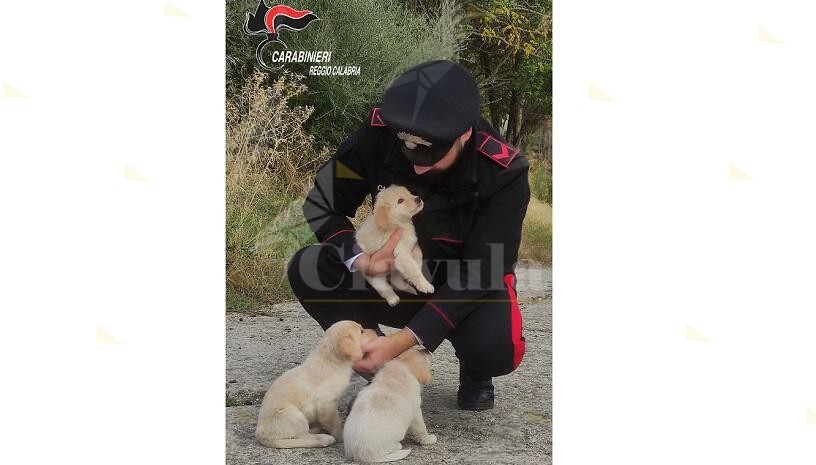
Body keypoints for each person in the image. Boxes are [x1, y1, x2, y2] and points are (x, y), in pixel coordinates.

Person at [287, 60, 530, 410]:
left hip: (461, 284)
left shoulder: (503, 172)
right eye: (409, 151)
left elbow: (484, 269)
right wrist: (361, 258)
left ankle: (476, 371)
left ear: (464, 134)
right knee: (308, 267)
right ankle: (381, 361)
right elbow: (322, 203)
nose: (418, 166)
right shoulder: (377, 134)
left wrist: (406, 338)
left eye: (434, 155)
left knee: (495, 349)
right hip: (393, 276)